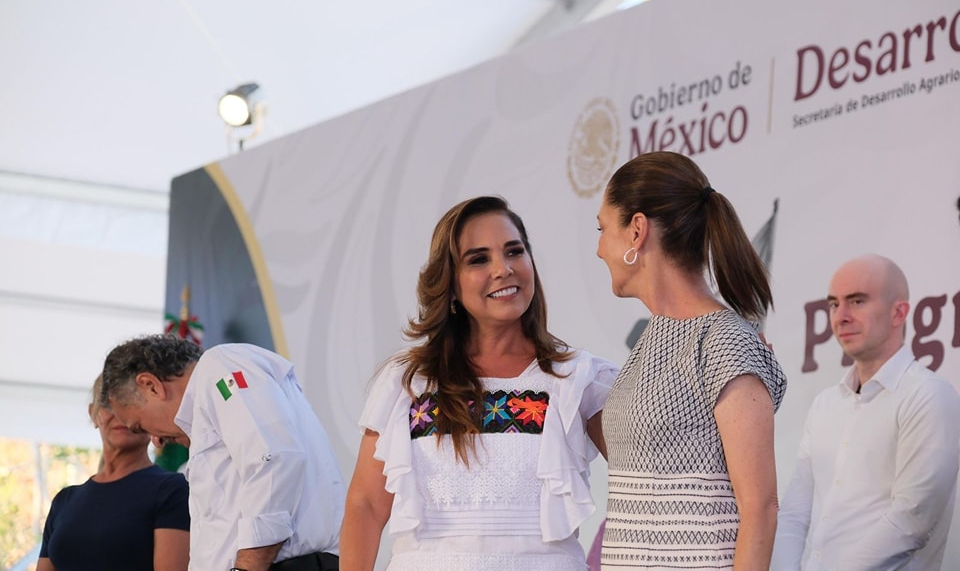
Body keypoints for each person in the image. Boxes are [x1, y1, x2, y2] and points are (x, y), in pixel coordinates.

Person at [341, 195, 618, 571]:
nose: (503, 269)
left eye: (514, 251)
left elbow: (646, 483)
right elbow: (366, 507)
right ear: (451, 284)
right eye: (478, 259)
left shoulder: (580, 379)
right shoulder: (406, 382)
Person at [595, 151, 787, 569]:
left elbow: (761, 508)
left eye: (602, 228)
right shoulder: (651, 342)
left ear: (637, 231)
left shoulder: (724, 340)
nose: (598, 249)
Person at [772, 254, 960, 570]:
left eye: (857, 301)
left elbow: (910, 521)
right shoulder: (825, 404)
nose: (841, 316)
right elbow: (794, 513)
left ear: (899, 313)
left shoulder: (928, 395)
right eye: (834, 304)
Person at [100, 336, 345, 571]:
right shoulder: (208, 410)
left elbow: (273, 461)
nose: (156, 440)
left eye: (140, 426)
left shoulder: (220, 365)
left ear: (150, 386)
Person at [38, 374, 190, 571]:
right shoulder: (65, 500)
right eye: (108, 404)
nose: (119, 413)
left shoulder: (173, 490)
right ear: (93, 413)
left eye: (131, 401)